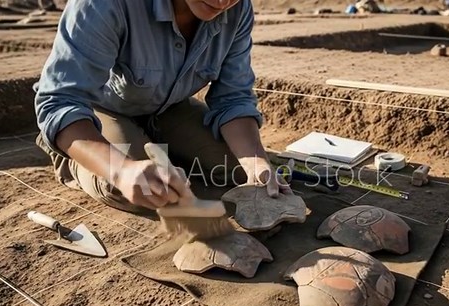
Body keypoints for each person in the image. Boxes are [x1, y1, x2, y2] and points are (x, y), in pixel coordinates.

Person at [34, 0, 292, 216]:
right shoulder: (106, 4)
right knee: (136, 190)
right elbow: (60, 102)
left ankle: (159, 152)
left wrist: (256, 162)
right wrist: (123, 171)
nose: (224, 1)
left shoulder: (237, 9)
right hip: (102, 110)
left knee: (242, 170)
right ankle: (70, 160)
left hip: (168, 108)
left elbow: (232, 97)